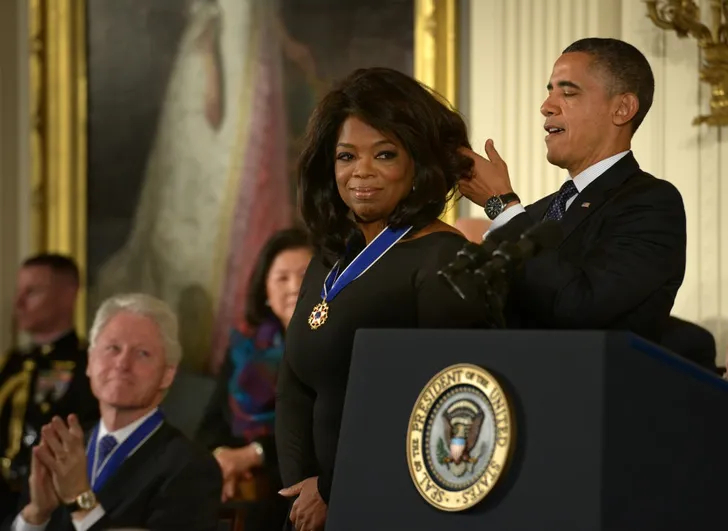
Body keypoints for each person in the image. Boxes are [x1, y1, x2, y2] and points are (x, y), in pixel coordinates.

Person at [275, 67, 496, 531]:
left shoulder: (444, 257)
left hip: (397, 504)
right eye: (346, 156)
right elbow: (295, 380)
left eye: (384, 154)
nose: (361, 171)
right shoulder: (330, 259)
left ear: (418, 165)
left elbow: (440, 403)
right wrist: (302, 482)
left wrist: (334, 488)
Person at [459, 37, 687, 343]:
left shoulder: (651, 204)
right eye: (549, 92)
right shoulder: (536, 214)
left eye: (568, 93)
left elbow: (581, 308)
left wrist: (501, 205)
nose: (546, 107)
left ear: (622, 108)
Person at [8, 293, 222, 531]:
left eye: (142, 353)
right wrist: (35, 515)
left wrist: (81, 499)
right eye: (113, 348)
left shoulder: (190, 467)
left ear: (167, 375)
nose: (122, 363)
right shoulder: (60, 449)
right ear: (90, 362)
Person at [196, 227, 312, 530]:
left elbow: (320, 434)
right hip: (243, 497)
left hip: (305, 498)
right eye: (282, 278)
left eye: (305, 275)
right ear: (265, 291)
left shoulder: (335, 348)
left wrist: (255, 454)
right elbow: (210, 428)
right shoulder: (243, 351)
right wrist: (224, 459)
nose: (294, 286)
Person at [0, 255, 98, 524]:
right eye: (19, 291)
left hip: (49, 504)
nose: (18, 303)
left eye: (32, 292)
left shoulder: (87, 366)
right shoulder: (12, 364)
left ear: (67, 295)